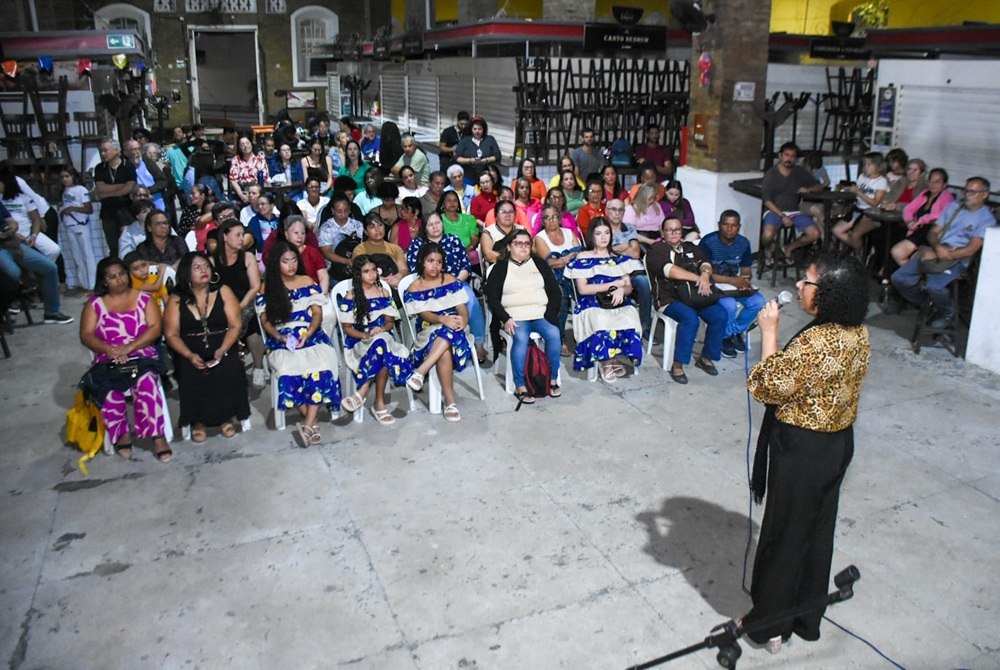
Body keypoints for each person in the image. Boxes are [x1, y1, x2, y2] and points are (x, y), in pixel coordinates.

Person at [741, 251, 871, 653]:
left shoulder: (819, 341)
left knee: (784, 536)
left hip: (803, 450)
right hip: (836, 445)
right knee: (816, 533)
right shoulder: (857, 331)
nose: (798, 285)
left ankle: (768, 626)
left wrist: (768, 333)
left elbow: (767, 386)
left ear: (829, 291)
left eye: (807, 281)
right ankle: (804, 617)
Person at [79, 257, 171, 461]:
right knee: (108, 387)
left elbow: (155, 328)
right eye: (113, 277)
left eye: (121, 274)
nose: (119, 279)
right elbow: (86, 334)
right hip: (109, 356)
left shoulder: (144, 298)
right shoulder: (95, 304)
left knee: (146, 383)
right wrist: (110, 350)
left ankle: (157, 436)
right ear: (104, 281)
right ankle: (121, 433)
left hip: (141, 353)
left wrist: (129, 348)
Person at [256, 240, 342, 446]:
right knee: (288, 370)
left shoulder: (306, 281)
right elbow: (265, 321)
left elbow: (317, 314)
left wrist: (309, 333)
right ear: (276, 263)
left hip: (310, 334)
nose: (291, 265)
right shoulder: (268, 287)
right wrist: (280, 337)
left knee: (322, 365)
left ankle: (308, 424)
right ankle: (311, 422)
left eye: (294, 260)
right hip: (282, 337)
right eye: (285, 261)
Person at [164, 251, 250, 441]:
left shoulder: (223, 291)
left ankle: (226, 417)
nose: (204, 270)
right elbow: (171, 334)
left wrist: (222, 349)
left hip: (222, 345)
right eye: (197, 267)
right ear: (187, 273)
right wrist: (189, 355)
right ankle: (197, 421)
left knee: (228, 367)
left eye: (206, 266)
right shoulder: (176, 298)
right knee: (190, 370)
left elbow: (235, 325)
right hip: (190, 349)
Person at [891, 176, 996, 329]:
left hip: (959, 258)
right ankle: (927, 303)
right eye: (966, 190)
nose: (967, 195)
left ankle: (947, 312)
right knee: (899, 278)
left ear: (985, 194)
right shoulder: (954, 207)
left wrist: (945, 254)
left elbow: (971, 249)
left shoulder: (986, 219)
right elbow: (933, 232)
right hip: (938, 249)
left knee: (935, 286)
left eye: (973, 192)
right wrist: (937, 247)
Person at [645, 216, 728, 384]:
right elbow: (670, 270)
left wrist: (705, 274)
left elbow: (706, 263)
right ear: (662, 232)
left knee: (720, 314)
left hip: (693, 297)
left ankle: (706, 357)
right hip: (668, 299)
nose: (674, 233)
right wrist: (698, 278)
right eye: (669, 230)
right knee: (690, 318)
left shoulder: (690, 247)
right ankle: (678, 364)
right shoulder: (657, 249)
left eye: (677, 229)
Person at [484, 229, 563, 402]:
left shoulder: (539, 264)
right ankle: (520, 385)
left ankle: (552, 378)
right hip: (515, 316)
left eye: (527, 243)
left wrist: (549, 314)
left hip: (540, 313)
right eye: (518, 243)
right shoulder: (501, 267)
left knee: (554, 333)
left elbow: (555, 292)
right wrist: (505, 318)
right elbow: (492, 298)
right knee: (520, 337)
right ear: (509, 246)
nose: (523, 247)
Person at [336, 255, 415, 425]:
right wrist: (365, 336)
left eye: (373, 270)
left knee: (381, 342)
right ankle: (379, 404)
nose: (372, 274)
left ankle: (361, 394)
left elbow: (389, 323)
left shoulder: (383, 293)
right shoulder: (351, 296)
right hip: (359, 341)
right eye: (366, 271)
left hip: (382, 337)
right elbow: (347, 328)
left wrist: (382, 329)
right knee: (382, 349)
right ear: (358, 274)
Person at [403, 243, 475, 422]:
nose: (435, 266)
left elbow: (462, 307)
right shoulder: (415, 287)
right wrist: (443, 319)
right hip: (429, 330)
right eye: (430, 261)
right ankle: (449, 402)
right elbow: (423, 314)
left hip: (456, 327)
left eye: (439, 262)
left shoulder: (450, 280)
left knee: (448, 335)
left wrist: (463, 320)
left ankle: (421, 372)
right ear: (422, 261)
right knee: (444, 343)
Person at [564, 217, 643, 381]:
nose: (603, 237)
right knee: (601, 319)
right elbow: (583, 289)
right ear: (591, 236)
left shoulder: (618, 258)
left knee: (630, 315)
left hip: (615, 300)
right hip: (590, 301)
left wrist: (622, 290)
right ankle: (606, 362)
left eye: (606, 233)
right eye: (598, 233)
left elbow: (628, 287)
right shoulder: (583, 257)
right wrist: (613, 285)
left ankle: (612, 357)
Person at [407, 211, 487, 364]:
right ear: (425, 228)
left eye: (437, 223)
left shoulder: (453, 240)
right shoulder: (417, 244)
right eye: (430, 224)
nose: (435, 227)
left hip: (456, 282)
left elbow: (465, 266)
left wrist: (453, 285)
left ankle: (478, 344)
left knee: (471, 301)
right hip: (429, 288)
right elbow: (415, 271)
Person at [699, 210, 766, 358]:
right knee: (729, 306)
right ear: (719, 225)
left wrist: (745, 279)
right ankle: (724, 338)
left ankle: (733, 332)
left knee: (758, 301)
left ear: (739, 227)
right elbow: (704, 273)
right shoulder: (708, 242)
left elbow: (746, 269)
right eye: (726, 224)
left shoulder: (743, 243)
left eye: (734, 225)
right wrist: (732, 281)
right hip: (713, 285)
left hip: (734, 284)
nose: (729, 229)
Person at [213, 219, 266, 387]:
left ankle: (258, 367)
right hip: (222, 305)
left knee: (252, 324)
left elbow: (255, 286)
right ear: (225, 237)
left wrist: (241, 305)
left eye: (243, 235)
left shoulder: (247, 257)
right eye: (237, 235)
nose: (242, 238)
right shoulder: (213, 260)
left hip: (246, 302)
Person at [760, 142, 824, 267]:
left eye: (792, 156)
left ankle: (788, 248)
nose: (789, 159)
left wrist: (808, 189)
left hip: (794, 212)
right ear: (780, 156)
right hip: (774, 211)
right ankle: (768, 248)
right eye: (786, 155)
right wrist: (782, 216)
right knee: (767, 235)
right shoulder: (771, 174)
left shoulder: (799, 172)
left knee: (815, 234)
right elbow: (767, 200)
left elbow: (819, 186)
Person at [532, 204, 582, 356]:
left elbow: (580, 255)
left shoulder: (569, 233)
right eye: (547, 218)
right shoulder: (540, 238)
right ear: (543, 221)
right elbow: (550, 263)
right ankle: (558, 338)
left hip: (575, 274)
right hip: (552, 277)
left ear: (559, 219)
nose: (551, 220)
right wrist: (568, 257)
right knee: (560, 293)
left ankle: (587, 336)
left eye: (554, 216)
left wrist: (564, 259)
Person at [604, 198, 652, 339]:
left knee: (644, 282)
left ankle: (645, 326)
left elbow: (636, 253)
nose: (617, 213)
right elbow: (604, 253)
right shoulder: (601, 229)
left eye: (620, 210)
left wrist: (615, 249)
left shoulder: (629, 228)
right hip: (611, 270)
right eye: (613, 209)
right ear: (606, 211)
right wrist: (626, 246)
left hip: (632, 270)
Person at [890, 168, 955, 267]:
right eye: (931, 181)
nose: (933, 184)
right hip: (917, 230)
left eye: (937, 182)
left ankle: (911, 273)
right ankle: (911, 274)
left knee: (900, 253)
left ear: (944, 185)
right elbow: (908, 208)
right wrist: (909, 221)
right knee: (895, 246)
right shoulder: (925, 193)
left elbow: (941, 215)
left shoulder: (947, 197)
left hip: (932, 233)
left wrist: (921, 220)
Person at [832, 152, 889, 256]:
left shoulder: (881, 181)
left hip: (872, 213)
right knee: (836, 230)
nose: (866, 167)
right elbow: (857, 193)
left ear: (878, 166)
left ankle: (859, 255)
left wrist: (858, 192)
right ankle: (860, 249)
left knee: (855, 235)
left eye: (869, 165)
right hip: (858, 209)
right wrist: (846, 189)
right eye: (865, 164)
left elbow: (875, 203)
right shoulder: (862, 177)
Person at [58, 167, 97, 293]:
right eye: (62, 177)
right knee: (77, 257)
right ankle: (83, 283)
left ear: (73, 176)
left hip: (81, 225)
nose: (64, 179)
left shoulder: (81, 190)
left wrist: (73, 209)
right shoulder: (65, 191)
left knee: (87, 255)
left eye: (67, 176)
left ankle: (92, 284)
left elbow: (89, 209)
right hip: (69, 226)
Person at [94, 139, 138, 253]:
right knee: (113, 247)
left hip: (126, 210)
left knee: (129, 245)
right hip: (108, 212)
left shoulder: (128, 165)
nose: (103, 153)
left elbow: (130, 187)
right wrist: (120, 187)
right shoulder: (99, 168)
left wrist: (108, 194)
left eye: (105, 150)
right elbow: (100, 188)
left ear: (116, 150)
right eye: (101, 151)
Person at [354, 213, 408, 290]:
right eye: (372, 227)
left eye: (380, 225)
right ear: (365, 231)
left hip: (393, 285)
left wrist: (398, 276)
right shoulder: (359, 250)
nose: (377, 229)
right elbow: (360, 272)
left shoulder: (395, 249)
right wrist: (381, 280)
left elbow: (403, 269)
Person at [317, 194, 364, 281]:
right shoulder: (326, 228)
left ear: (349, 209)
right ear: (333, 210)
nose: (343, 214)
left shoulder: (357, 225)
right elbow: (327, 252)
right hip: (333, 269)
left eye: (345, 211)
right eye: (339, 211)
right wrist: (346, 261)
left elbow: (362, 246)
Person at [437, 189, 480, 268]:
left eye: (455, 201)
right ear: (443, 204)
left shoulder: (469, 219)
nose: (452, 203)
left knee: (473, 255)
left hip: (468, 252)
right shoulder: (438, 220)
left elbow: (474, 239)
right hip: (447, 255)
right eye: (449, 201)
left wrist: (465, 251)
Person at [124, 139, 169, 213]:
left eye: (139, 149)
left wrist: (148, 191)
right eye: (134, 149)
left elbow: (163, 181)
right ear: (126, 153)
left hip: (156, 204)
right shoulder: (125, 167)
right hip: (138, 207)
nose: (138, 152)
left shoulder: (147, 162)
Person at [454, 116, 501, 185]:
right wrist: (470, 160)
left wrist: (486, 160)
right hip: (468, 175)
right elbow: (457, 158)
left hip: (486, 176)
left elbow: (497, 156)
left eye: (480, 129)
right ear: (471, 129)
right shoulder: (465, 140)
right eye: (475, 129)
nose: (477, 131)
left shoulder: (490, 139)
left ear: (484, 129)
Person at [481, 199, 524, 266]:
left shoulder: (521, 230)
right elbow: (488, 255)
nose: (508, 215)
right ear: (496, 215)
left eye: (511, 212)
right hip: (498, 267)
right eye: (503, 212)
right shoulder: (488, 232)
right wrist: (513, 260)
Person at [228, 136, 268, 205]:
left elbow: (264, 178)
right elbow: (233, 180)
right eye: (242, 144)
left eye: (247, 143)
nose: (245, 146)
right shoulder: (236, 159)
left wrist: (252, 194)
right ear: (239, 147)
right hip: (241, 190)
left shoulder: (260, 159)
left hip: (257, 190)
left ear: (251, 144)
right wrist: (241, 195)